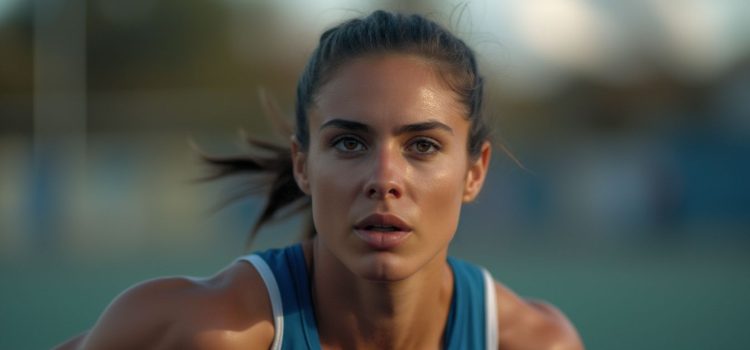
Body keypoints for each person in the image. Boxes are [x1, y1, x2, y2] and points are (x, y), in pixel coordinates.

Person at [56, 10, 583, 349]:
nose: (384, 179)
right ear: (303, 165)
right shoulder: (204, 333)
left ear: (475, 172)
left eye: (422, 145)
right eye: (349, 143)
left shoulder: (533, 342)